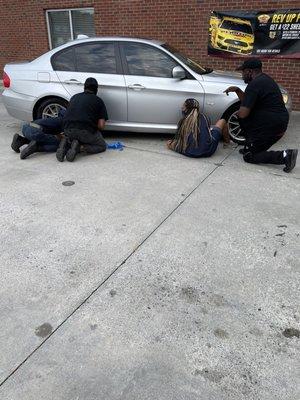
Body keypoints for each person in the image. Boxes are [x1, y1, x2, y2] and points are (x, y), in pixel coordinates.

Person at [224, 58, 297, 173]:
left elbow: (243, 114)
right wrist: (238, 90)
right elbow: (248, 101)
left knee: (249, 156)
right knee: (247, 116)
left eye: (243, 72)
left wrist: (240, 110)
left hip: (270, 127)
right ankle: (251, 146)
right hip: (278, 123)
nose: (242, 75)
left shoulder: (254, 85)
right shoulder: (265, 79)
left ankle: (285, 155)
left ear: (249, 72)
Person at [56, 77, 108, 162]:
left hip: (67, 130)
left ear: (84, 87)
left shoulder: (74, 97)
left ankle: (65, 142)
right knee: (102, 146)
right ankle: (80, 148)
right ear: (96, 89)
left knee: (73, 136)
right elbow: (101, 126)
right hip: (85, 131)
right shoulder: (99, 101)